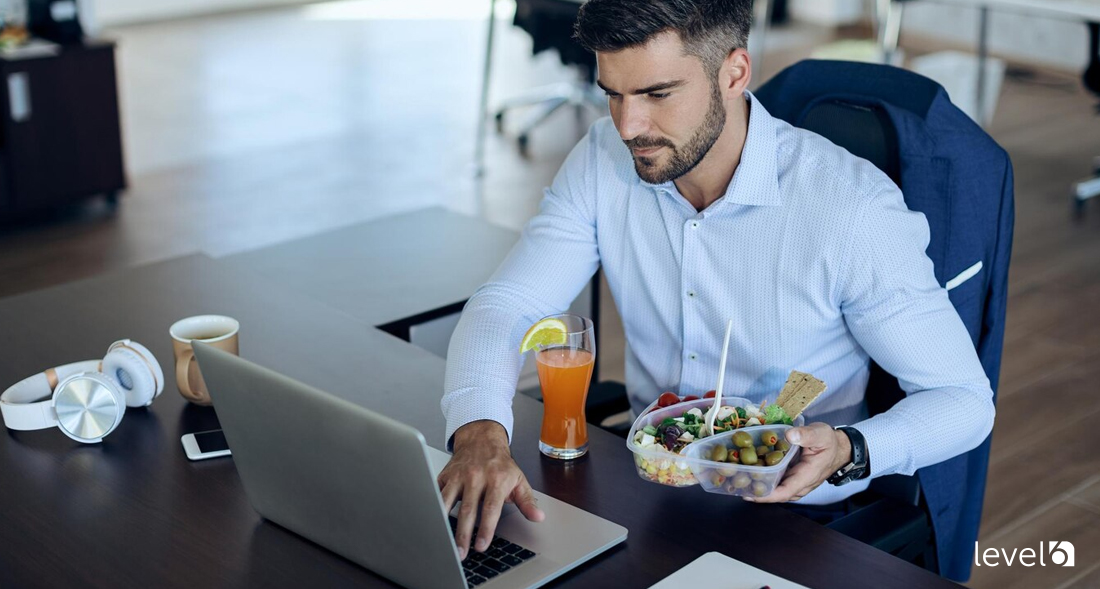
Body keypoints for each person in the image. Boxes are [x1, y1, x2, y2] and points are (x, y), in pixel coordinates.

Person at [438, 0, 995, 562]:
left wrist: (853, 449)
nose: (628, 127)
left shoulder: (851, 211)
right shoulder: (601, 161)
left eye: (657, 94)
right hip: (653, 492)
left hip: (797, 516)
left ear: (734, 73)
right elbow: (508, 303)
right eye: (613, 94)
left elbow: (964, 401)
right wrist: (480, 427)